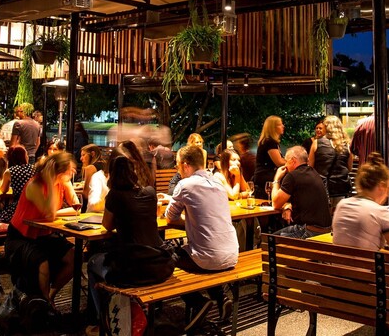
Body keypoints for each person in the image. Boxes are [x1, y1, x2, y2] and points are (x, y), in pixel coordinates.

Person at [86, 153, 174, 329]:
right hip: (161, 264)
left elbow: (107, 225)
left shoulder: (115, 195)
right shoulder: (149, 192)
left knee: (92, 262)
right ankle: (133, 309)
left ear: (112, 174)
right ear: (133, 172)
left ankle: (102, 321)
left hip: (134, 269)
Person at [165, 145, 238, 331]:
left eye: (178, 166)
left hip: (208, 259)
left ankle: (198, 302)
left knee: (165, 256)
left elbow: (170, 217)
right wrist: (195, 222)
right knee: (204, 251)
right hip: (231, 255)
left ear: (186, 165)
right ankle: (221, 298)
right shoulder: (218, 185)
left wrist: (190, 222)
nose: (178, 170)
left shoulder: (185, 185)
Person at [4, 151, 79, 308]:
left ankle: (50, 296)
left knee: (74, 257)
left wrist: (65, 184)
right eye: (70, 169)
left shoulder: (62, 183)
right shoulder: (35, 185)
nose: (74, 172)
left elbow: (76, 207)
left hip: (44, 235)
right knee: (42, 261)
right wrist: (52, 183)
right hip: (20, 237)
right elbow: (50, 214)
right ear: (58, 171)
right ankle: (44, 306)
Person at [333, 152, 389, 254]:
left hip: (336, 268)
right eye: (388, 189)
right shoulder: (381, 212)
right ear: (382, 186)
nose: (387, 195)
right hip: (365, 269)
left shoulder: (341, 205)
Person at [350, 96, 389, 198]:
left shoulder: (361, 124)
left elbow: (353, 148)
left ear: (374, 106)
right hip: (387, 182)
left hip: (365, 180)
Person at [271, 146, 332, 239]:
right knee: (273, 237)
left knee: (269, 241)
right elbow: (308, 200)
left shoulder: (292, 176)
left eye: (286, 161)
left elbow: (275, 204)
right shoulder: (313, 172)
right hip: (324, 230)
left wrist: (276, 179)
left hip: (310, 230)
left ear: (293, 160)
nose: (285, 165)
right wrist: (289, 207)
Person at [308, 115, 353, 210]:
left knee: (323, 218)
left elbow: (310, 167)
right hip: (341, 188)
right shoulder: (347, 145)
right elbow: (349, 168)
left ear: (327, 127)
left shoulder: (317, 143)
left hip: (322, 187)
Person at [253, 116, 286, 200]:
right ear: (272, 128)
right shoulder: (270, 142)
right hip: (265, 178)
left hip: (262, 177)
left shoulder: (269, 142)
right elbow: (279, 162)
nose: (283, 126)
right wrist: (292, 161)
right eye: (280, 124)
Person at [0, 146, 34, 223]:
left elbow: (3, 190)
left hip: (19, 206)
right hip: (35, 205)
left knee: (2, 216)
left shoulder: (10, 171)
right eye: (26, 154)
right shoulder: (34, 168)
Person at [79, 144, 108, 213]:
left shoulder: (90, 168)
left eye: (83, 155)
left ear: (92, 154)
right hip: (104, 206)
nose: (81, 158)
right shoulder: (105, 165)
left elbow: (86, 193)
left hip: (91, 207)